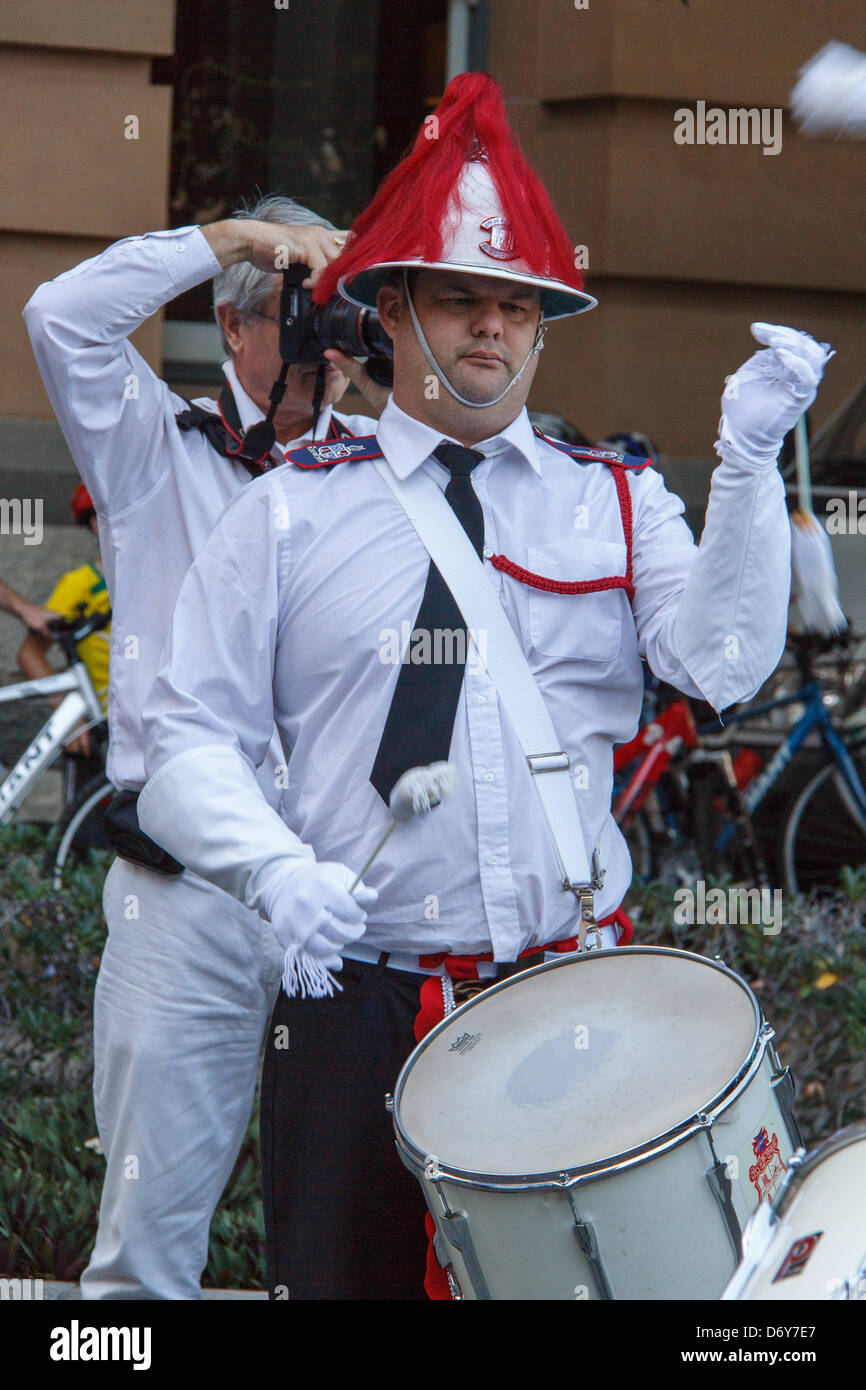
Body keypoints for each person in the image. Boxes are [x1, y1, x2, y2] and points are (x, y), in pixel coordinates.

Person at [137, 73, 833, 1299]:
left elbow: (720, 660)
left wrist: (741, 467)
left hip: (577, 994)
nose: (490, 328)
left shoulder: (610, 498)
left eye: (517, 305)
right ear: (388, 313)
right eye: (458, 298)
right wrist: (268, 868)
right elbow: (182, 737)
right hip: (361, 1006)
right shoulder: (289, 514)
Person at [22, 193, 381, 1300]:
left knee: (356, 1245)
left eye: (339, 310)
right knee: (142, 1259)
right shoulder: (151, 449)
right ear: (233, 325)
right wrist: (228, 242)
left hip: (345, 899)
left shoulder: (382, 468)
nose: (323, 332)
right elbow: (59, 317)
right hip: (183, 904)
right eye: (299, 307)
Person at [17, 483, 110, 771]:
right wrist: (68, 718)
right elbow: (29, 653)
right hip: (101, 724)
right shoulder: (81, 584)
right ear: (94, 523)